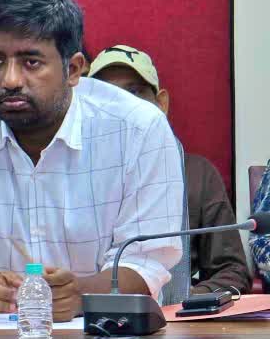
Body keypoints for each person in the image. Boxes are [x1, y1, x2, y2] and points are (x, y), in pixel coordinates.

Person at [0, 0, 184, 323]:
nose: (10, 79)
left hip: (108, 338)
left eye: (31, 63)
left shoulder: (138, 128)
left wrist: (82, 295)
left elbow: (146, 260)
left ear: (73, 69)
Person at [90, 44, 250, 295]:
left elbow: (231, 272)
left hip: (178, 321)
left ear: (161, 102)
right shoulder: (69, 173)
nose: (123, 106)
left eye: (134, 92)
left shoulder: (197, 173)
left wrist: (183, 301)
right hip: (88, 315)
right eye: (108, 94)